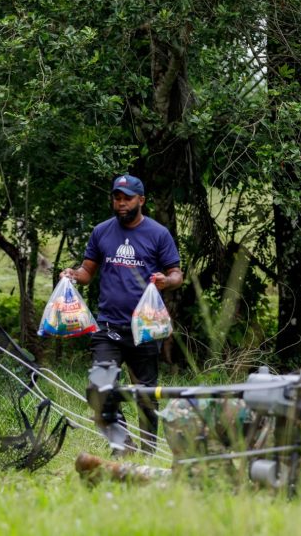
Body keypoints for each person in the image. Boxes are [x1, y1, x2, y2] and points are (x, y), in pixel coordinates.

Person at [62, 174, 183, 453]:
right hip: (108, 327)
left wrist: (166, 281)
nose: (121, 203)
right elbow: (87, 271)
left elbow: (177, 274)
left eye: (127, 198)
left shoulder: (158, 233)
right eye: (117, 198)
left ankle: (148, 451)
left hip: (145, 327)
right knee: (99, 388)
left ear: (141, 200)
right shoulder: (102, 231)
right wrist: (73, 275)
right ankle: (123, 445)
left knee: (145, 394)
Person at [75, 397, 253, 483]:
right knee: (213, 486)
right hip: (191, 418)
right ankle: (107, 471)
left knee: (189, 479)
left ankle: (106, 470)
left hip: (188, 412)